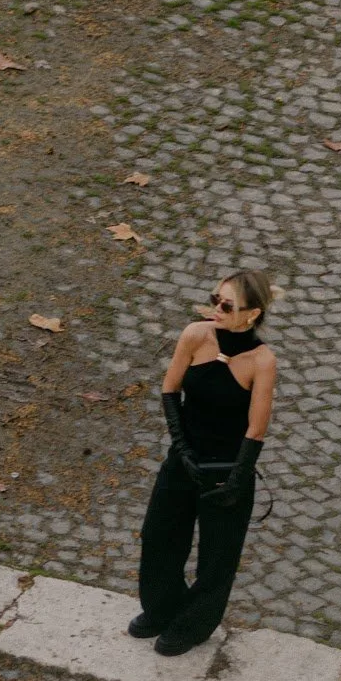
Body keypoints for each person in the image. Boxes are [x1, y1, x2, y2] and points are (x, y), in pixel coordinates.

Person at [130, 268, 277, 658]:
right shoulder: (196, 335)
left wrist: (237, 478)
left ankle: (194, 625)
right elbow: (169, 390)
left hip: (227, 471)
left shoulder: (262, 361)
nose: (216, 308)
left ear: (252, 314)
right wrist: (182, 449)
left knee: (216, 558)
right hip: (185, 459)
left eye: (227, 305)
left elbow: (256, 428)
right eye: (215, 298)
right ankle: (162, 608)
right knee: (159, 536)